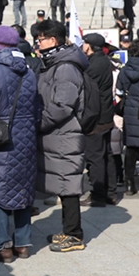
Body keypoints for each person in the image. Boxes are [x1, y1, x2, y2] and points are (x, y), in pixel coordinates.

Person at [0, 26, 41, 261]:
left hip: (0, 138)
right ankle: (23, 244)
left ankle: (3, 246)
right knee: (22, 189)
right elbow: (36, 108)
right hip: (26, 138)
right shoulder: (30, 72)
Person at [35, 20, 91, 253]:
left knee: (68, 184)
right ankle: (68, 231)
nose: (38, 42)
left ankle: (74, 235)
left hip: (65, 132)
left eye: (41, 38)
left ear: (54, 40)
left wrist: (39, 123)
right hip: (58, 133)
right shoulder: (53, 64)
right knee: (63, 182)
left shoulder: (65, 67)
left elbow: (62, 105)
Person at [82, 33, 117, 206]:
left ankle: (98, 195)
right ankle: (110, 192)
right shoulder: (103, 60)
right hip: (106, 114)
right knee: (106, 155)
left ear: (89, 46)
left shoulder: (93, 65)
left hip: (97, 117)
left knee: (95, 157)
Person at [115, 35, 139, 196]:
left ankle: (129, 183)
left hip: (130, 110)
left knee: (130, 148)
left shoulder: (125, 69)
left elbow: (119, 92)